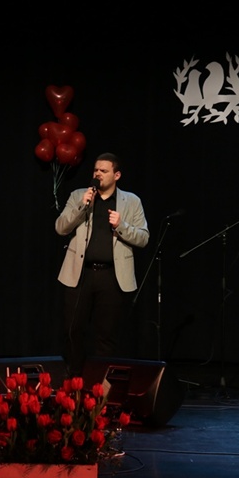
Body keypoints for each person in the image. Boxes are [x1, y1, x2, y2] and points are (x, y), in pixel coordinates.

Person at [55, 152, 150, 377]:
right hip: (80, 274)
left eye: (104, 171)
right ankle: (74, 382)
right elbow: (60, 227)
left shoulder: (131, 201)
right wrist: (82, 206)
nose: (98, 174)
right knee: (73, 330)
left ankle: (100, 385)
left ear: (117, 175)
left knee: (106, 335)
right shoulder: (79, 195)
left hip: (111, 276)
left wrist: (121, 226)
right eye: (96, 170)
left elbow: (143, 238)